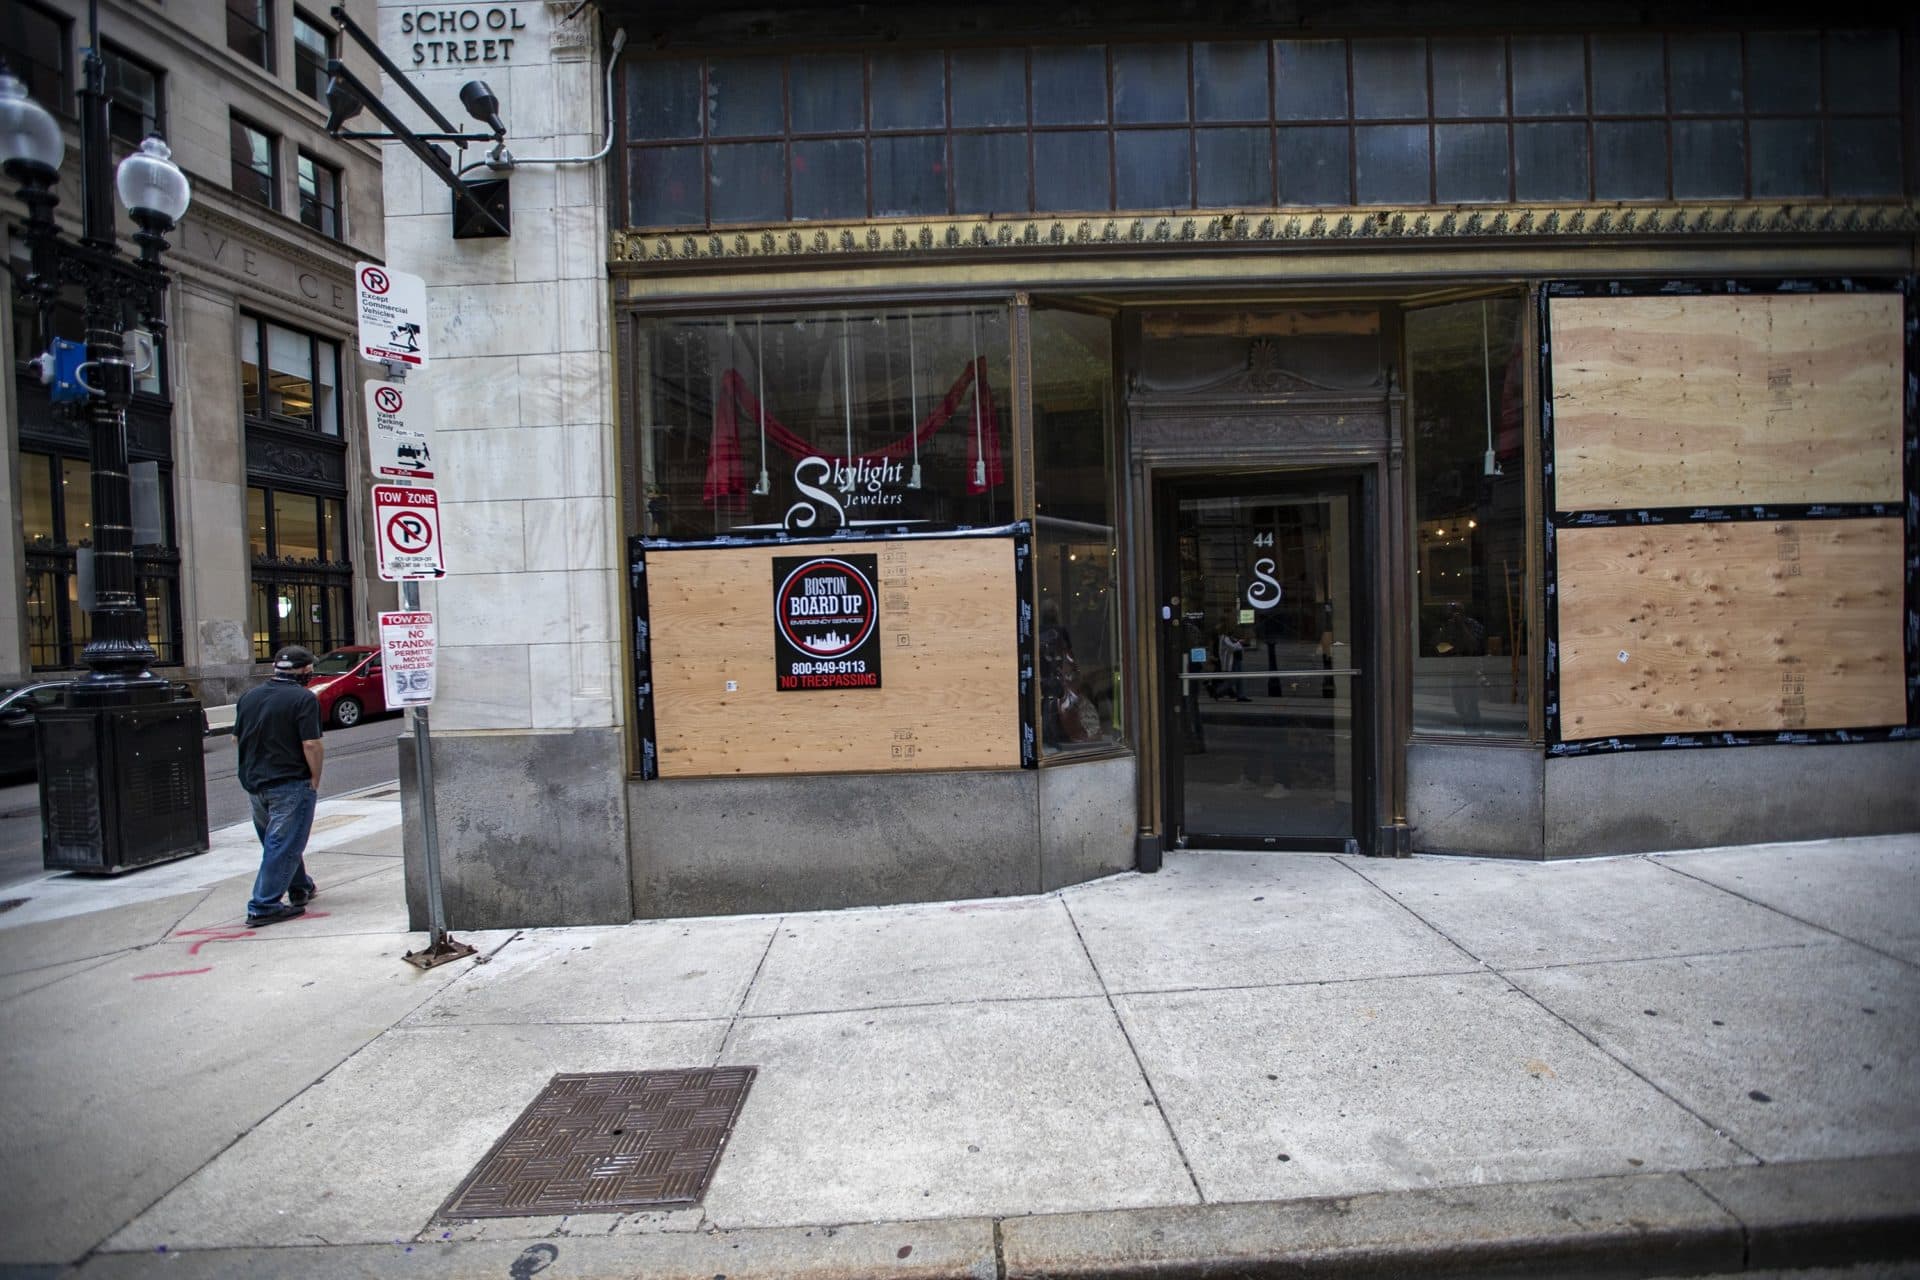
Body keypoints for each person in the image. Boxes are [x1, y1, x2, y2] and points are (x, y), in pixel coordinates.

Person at [235, 645, 325, 925]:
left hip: (255, 782)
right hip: (289, 781)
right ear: (305, 670)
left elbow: (237, 739)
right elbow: (311, 744)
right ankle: (263, 905)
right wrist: (315, 779)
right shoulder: (303, 699)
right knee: (284, 843)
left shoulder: (249, 697)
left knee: (277, 841)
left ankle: (300, 887)